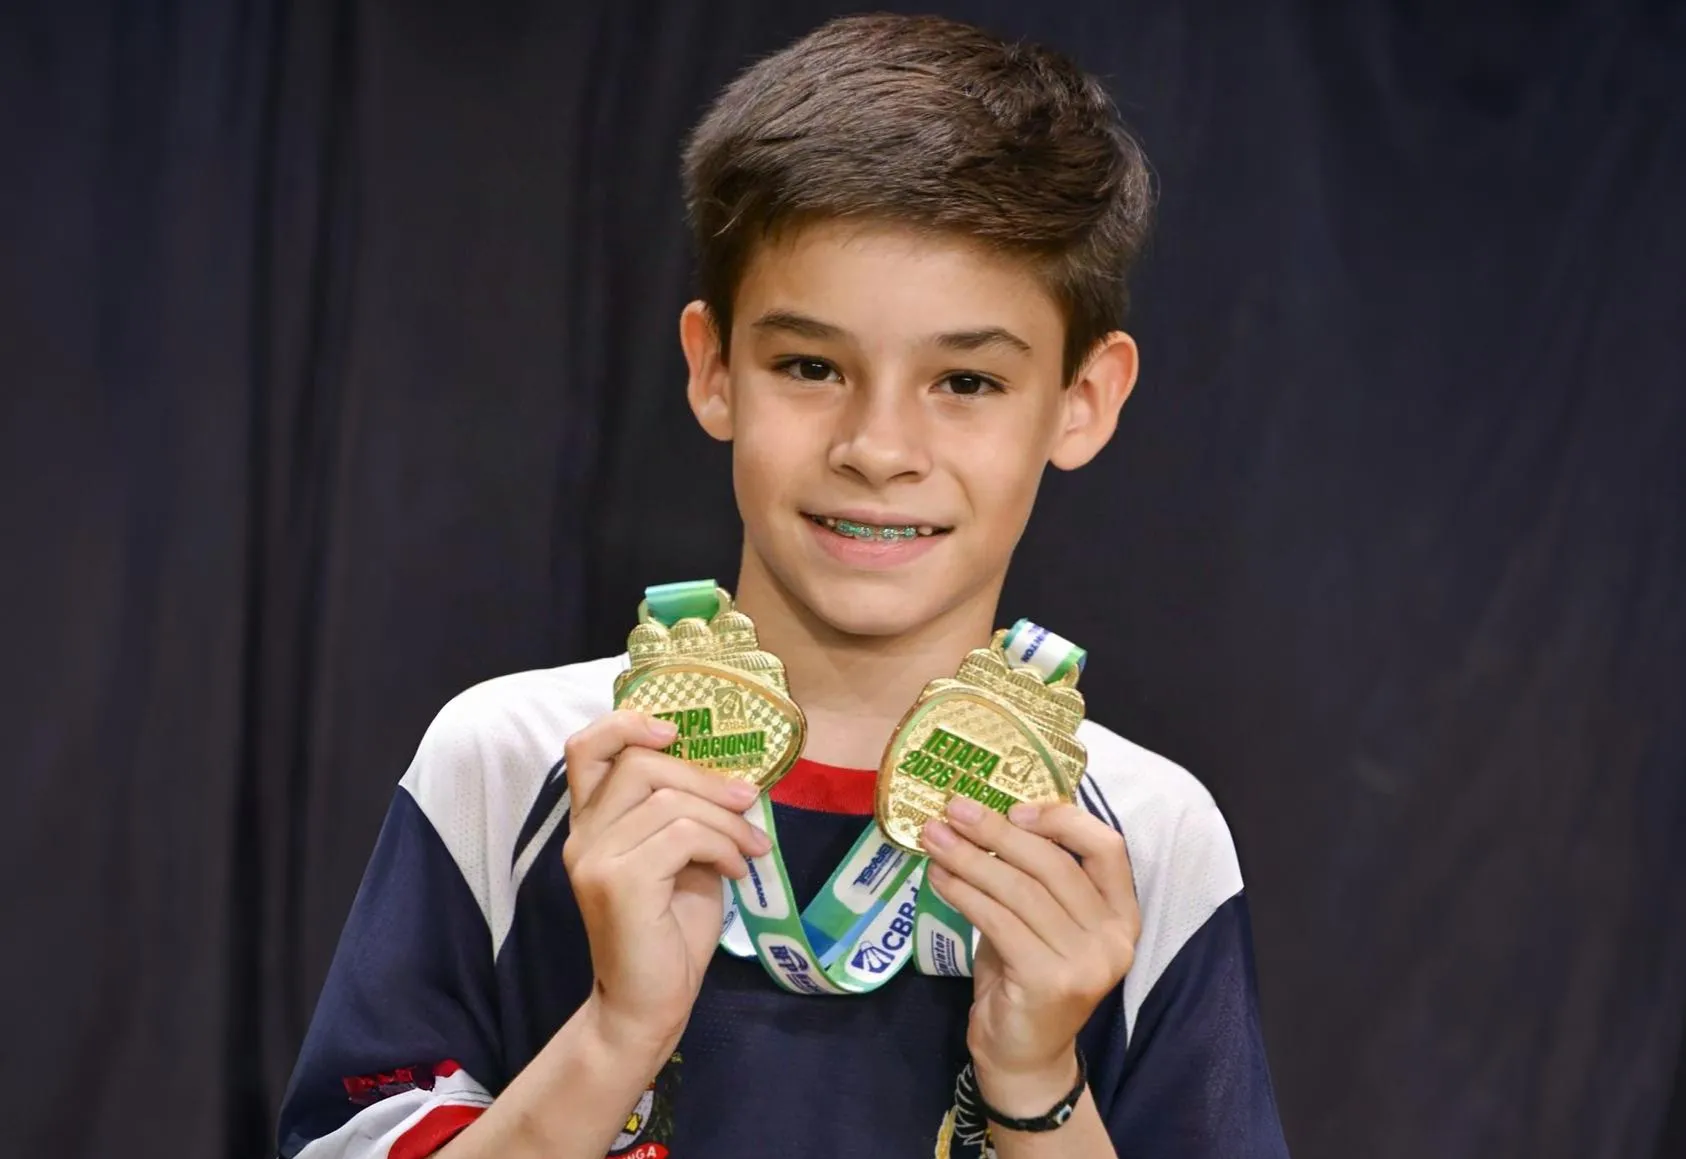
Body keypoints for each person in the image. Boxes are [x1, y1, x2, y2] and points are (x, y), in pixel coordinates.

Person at [276, 13, 1289, 1159]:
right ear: (713, 369)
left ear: (1082, 401)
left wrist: (1037, 1083)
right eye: (811, 366)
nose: (878, 444)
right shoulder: (512, 765)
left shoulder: (1141, 840)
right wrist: (617, 1034)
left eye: (965, 379)